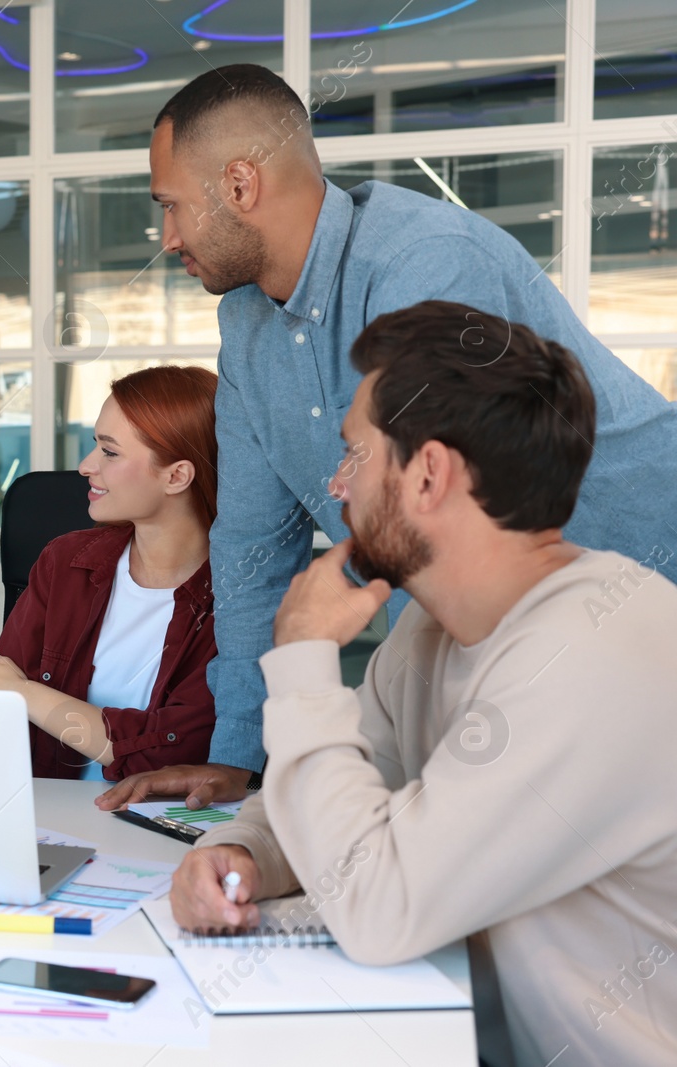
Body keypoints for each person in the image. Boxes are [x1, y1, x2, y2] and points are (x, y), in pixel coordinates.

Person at [105, 63, 677, 809]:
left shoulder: (424, 262)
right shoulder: (246, 324)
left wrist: (421, 776)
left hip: (638, 579)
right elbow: (249, 550)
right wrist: (242, 761)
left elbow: (440, 523)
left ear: (241, 185)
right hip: (523, 631)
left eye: (172, 205)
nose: (167, 235)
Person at [169, 303, 677, 1067]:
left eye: (355, 454)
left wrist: (305, 654)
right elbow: (336, 800)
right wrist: (241, 852)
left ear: (429, 473)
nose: (339, 488)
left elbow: (379, 904)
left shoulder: (593, 652)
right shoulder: (429, 629)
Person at [0, 366, 218, 782]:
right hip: (48, 816)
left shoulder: (238, 598)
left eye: (109, 452)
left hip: (163, 829)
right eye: (94, 446)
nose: (86, 466)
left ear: (177, 476)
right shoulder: (64, 562)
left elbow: (179, 756)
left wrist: (26, 693)